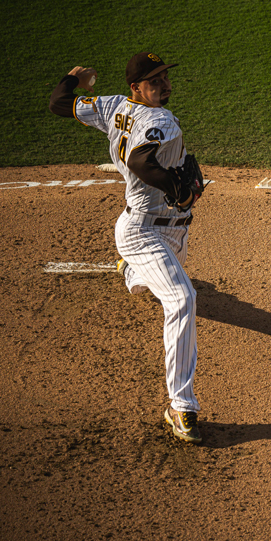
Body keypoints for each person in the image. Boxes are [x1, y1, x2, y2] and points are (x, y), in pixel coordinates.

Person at [48, 51, 204, 443]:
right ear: (137, 88)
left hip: (167, 232)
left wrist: (73, 78)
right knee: (182, 298)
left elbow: (58, 103)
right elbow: (139, 162)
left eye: (166, 77)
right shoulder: (160, 120)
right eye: (156, 81)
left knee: (144, 285)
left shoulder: (111, 106)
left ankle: (131, 271)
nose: (165, 85)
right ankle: (180, 405)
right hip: (142, 230)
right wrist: (178, 192)